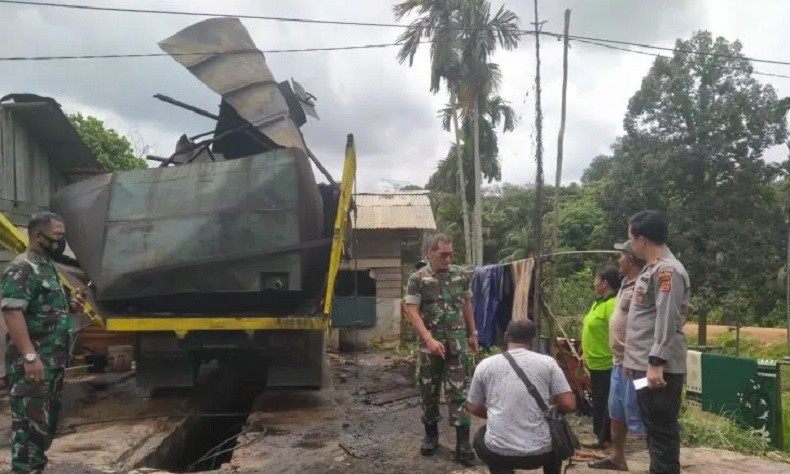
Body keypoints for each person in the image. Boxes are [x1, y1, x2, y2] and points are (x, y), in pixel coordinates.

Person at [1, 212, 85, 474]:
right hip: (34, 365)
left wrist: (71, 305)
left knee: (44, 427)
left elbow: (43, 308)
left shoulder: (47, 265)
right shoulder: (23, 267)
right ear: (38, 236)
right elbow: (12, 311)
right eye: (58, 236)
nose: (61, 242)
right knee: (29, 429)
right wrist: (29, 356)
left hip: (52, 362)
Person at [403, 233, 479, 465]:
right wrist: (428, 339)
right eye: (442, 255)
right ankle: (431, 436)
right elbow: (411, 310)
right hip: (430, 347)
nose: (448, 259)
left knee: (459, 392)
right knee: (429, 391)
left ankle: (463, 443)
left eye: (450, 254)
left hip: (457, 344)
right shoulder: (418, 278)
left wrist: (473, 333)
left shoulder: (460, 275)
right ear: (429, 254)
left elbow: (466, 304)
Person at [624, 210, 689, 474]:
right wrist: (633, 362)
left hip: (659, 372)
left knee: (662, 433)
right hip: (645, 368)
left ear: (642, 240)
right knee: (653, 429)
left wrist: (656, 363)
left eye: (631, 239)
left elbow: (667, 317)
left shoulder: (667, 271)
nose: (630, 244)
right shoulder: (652, 268)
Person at [467, 319, 576, 474]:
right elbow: (569, 404)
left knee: (480, 438)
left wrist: (496, 413)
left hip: (501, 453)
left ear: (506, 336)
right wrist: (552, 409)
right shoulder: (548, 363)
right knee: (556, 436)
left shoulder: (485, 365)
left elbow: (473, 406)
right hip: (542, 452)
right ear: (532, 339)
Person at [589, 241, 646, 471]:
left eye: (621, 255)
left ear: (631, 259)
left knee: (643, 409)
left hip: (638, 365)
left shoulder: (646, 284)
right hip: (618, 363)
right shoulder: (624, 284)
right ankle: (617, 457)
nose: (618, 260)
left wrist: (639, 357)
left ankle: (658, 460)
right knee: (616, 411)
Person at [580, 264, 620, 451]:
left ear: (605, 283)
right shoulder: (598, 303)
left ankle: (605, 439)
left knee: (605, 403)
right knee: (598, 401)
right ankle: (601, 436)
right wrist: (584, 353)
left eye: (596, 279)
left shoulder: (613, 305)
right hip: (594, 362)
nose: (594, 282)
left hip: (607, 362)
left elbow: (617, 332)